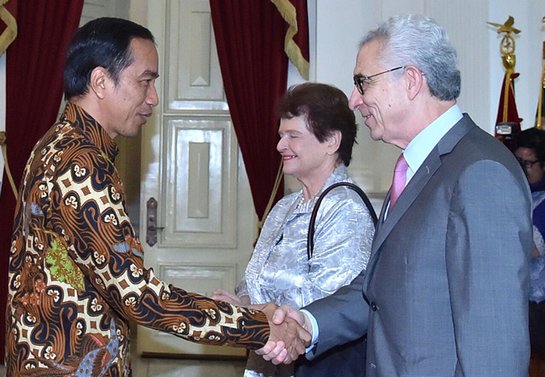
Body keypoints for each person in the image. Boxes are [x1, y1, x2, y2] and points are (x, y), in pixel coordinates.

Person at [4, 17, 309, 376]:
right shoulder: (81, 163)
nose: (154, 98)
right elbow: (139, 296)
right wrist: (257, 326)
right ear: (100, 81)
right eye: (145, 81)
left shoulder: (55, 143)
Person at [262, 14, 533, 376]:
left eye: (363, 83)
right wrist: (309, 323)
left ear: (410, 81)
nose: (354, 100)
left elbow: (493, 345)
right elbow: (380, 287)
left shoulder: (479, 174)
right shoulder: (416, 169)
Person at [213, 82, 375, 377]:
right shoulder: (283, 208)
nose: (280, 146)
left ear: (331, 141)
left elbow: (327, 306)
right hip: (271, 363)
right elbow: (253, 279)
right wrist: (240, 304)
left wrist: (250, 313)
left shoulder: (346, 209)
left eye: (293, 136)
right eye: (280, 135)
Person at [513, 127, 545, 361]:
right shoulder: (515, 189)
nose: (522, 169)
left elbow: (532, 250)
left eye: (528, 163)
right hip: (517, 297)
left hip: (538, 305)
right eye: (517, 161)